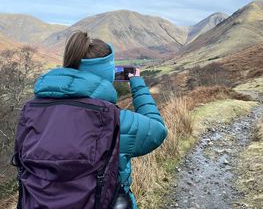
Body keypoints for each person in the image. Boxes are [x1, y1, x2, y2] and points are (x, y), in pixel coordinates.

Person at [33, 31, 168, 208]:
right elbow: (157, 129)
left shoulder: (34, 111)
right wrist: (137, 82)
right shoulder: (115, 120)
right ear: (108, 74)